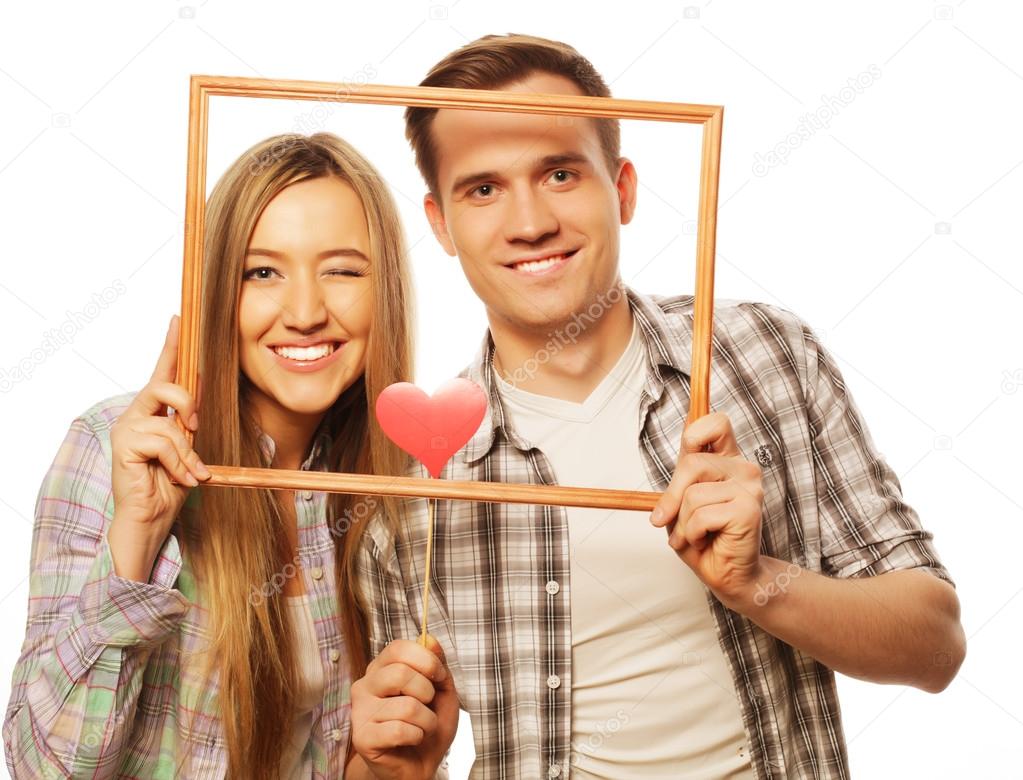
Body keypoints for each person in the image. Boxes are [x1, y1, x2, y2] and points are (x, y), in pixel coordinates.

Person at [352, 34, 966, 779]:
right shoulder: (414, 487)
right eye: (483, 188)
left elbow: (936, 649)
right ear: (441, 223)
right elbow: (404, 756)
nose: (529, 222)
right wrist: (389, 764)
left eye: (558, 173)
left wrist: (758, 585)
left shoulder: (768, 354)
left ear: (623, 188)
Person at [3, 132, 452, 779]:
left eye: (342, 270)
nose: (304, 311)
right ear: (217, 290)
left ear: (386, 290)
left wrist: (388, 766)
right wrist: (138, 537)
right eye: (262, 271)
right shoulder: (110, 450)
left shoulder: (400, 490)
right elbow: (43, 768)